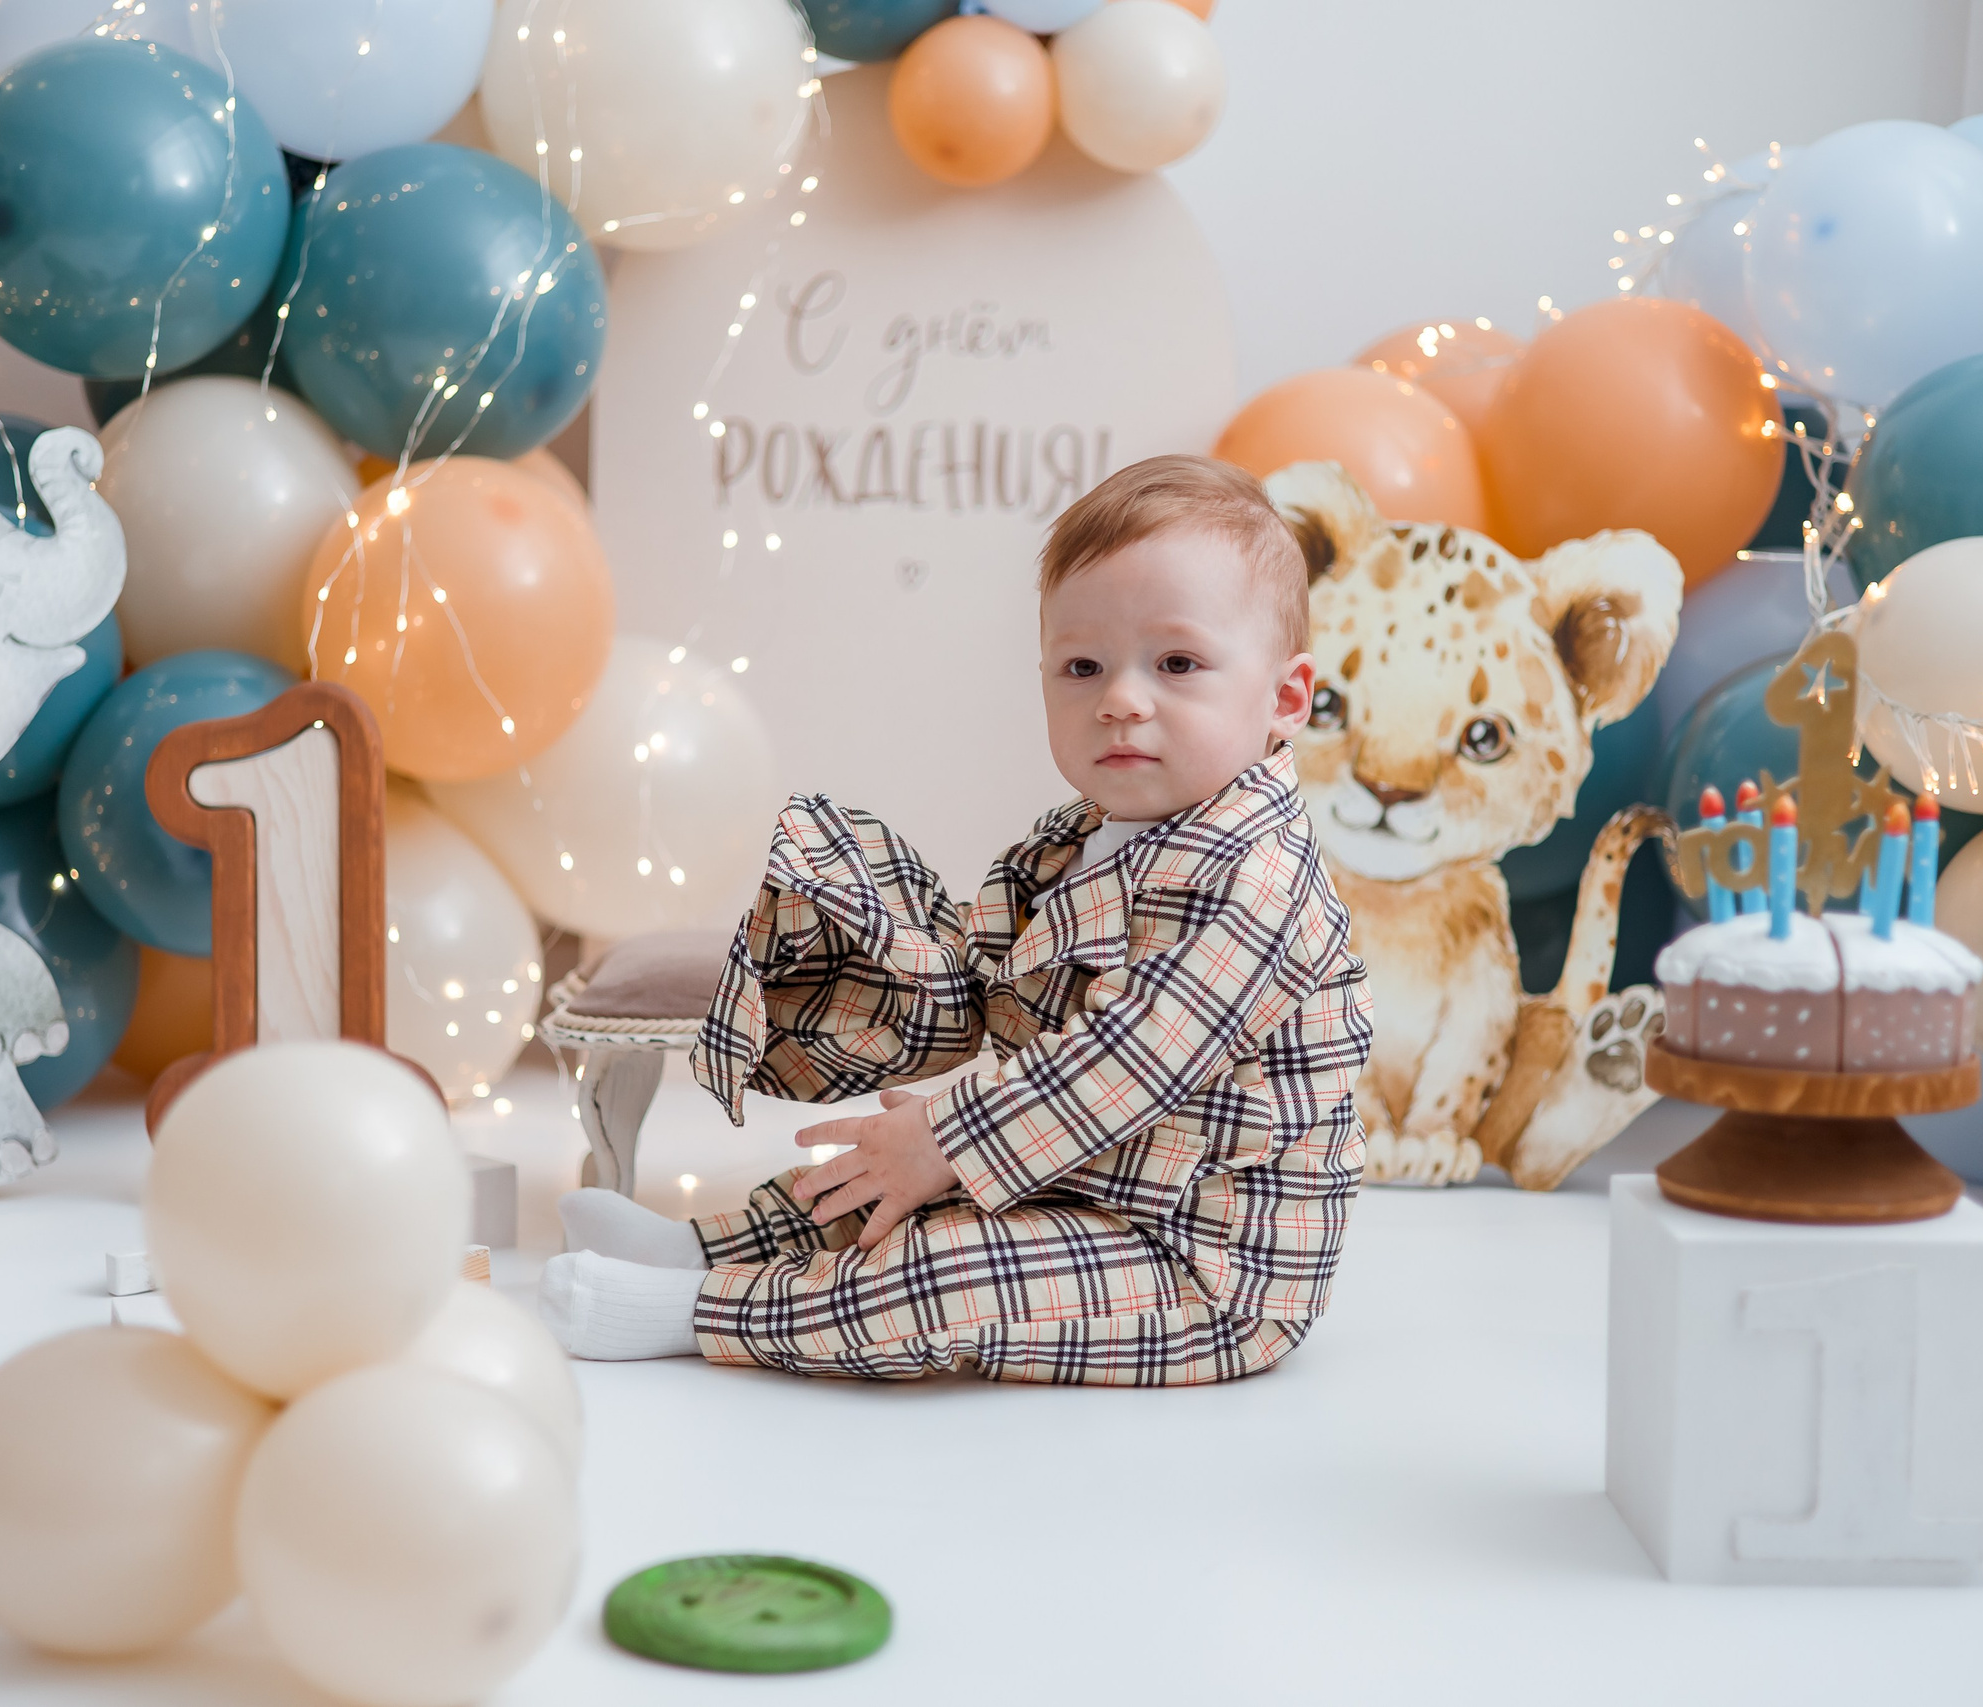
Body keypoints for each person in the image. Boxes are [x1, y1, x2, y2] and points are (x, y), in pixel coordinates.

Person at [536, 454, 1373, 1385]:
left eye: (1177, 663)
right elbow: (986, 965)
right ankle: (699, 1248)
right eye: (1082, 666)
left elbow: (1129, 1060)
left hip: (1199, 1260)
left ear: (1285, 700)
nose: (1121, 700)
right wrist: (881, 950)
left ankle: (693, 1309)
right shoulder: (1081, 838)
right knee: (879, 1185)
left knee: (945, 1270)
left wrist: (947, 1140)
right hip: (1074, 1181)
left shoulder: (1259, 880)